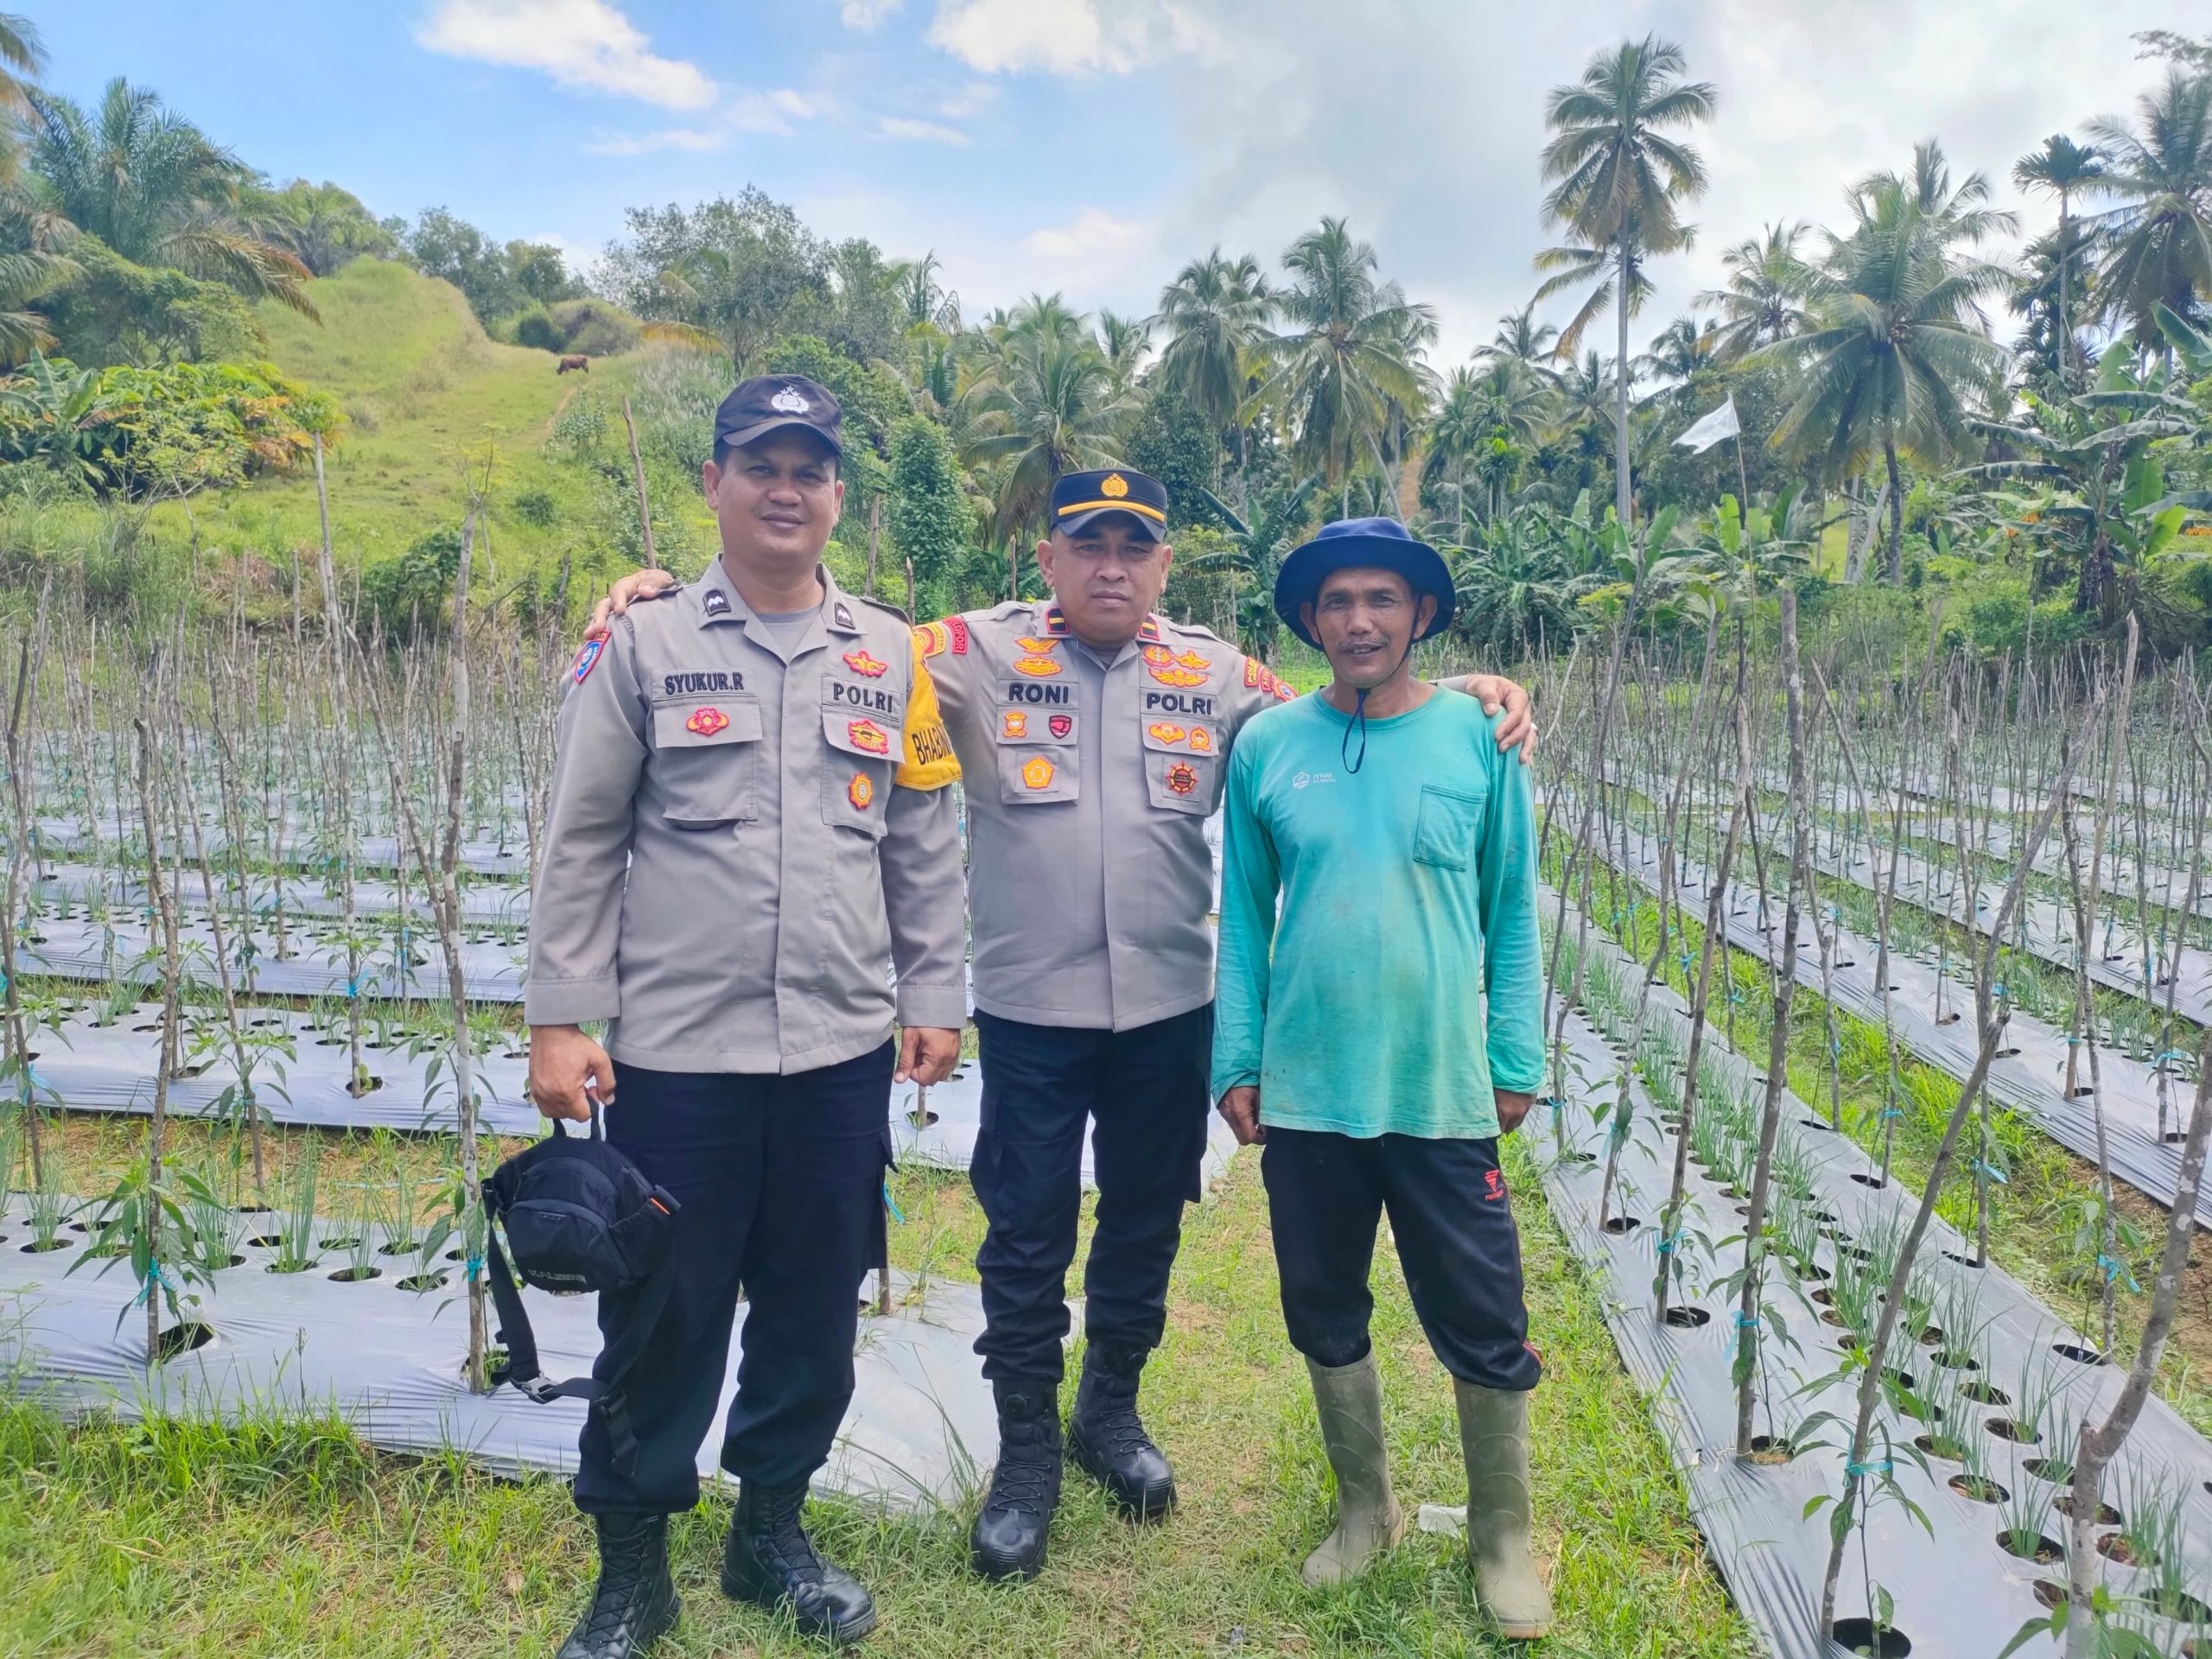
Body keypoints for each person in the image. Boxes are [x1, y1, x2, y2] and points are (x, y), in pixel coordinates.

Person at [585, 472, 1537, 1585]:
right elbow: (823, 631)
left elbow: (1353, 695)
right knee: (1026, 1233)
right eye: (1089, 545)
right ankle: (1027, 1456)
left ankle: (1110, 1416)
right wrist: (656, 595)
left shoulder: (1220, 674)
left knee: (1143, 1224)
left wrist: (1479, 683)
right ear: (1049, 557)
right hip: (1031, 1012)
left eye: (1135, 548)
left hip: (1166, 1015)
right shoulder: (965, 653)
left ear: (1164, 564)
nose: (1112, 568)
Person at [524, 375, 968, 1657]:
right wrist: (563, 1018)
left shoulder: (890, 656)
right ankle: (633, 1574)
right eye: (759, 463)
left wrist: (934, 991)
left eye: (809, 467)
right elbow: (582, 840)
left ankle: (772, 1536)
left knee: (815, 1309)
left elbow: (924, 841)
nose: (786, 487)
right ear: (713, 483)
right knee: (660, 1319)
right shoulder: (645, 646)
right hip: (676, 1061)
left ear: (839, 495)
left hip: (838, 1058)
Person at [1211, 517, 1553, 1640]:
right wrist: (1239, 1059)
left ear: (1422, 617)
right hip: (1309, 1094)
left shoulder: (1478, 739)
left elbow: (1510, 907)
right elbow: (1244, 929)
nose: (1359, 620)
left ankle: (1502, 1536)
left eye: (1383, 600)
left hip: (1438, 1087)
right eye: (1336, 602)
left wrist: (1514, 1056)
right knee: (1323, 1303)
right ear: (1309, 620)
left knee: (1483, 1314)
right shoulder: (1267, 747)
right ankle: (1368, 1510)